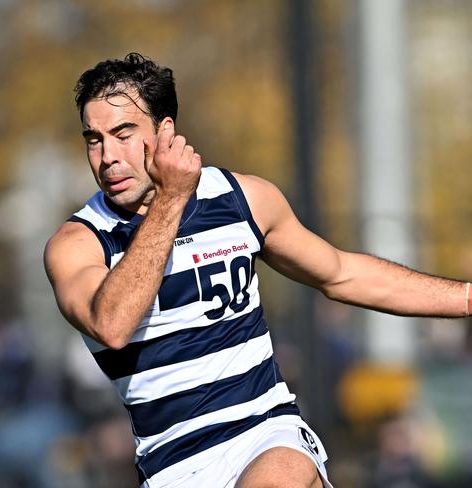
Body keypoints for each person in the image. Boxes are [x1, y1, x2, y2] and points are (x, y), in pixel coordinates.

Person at [44, 52, 471, 488]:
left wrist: (468, 297)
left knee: (281, 475)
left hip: (267, 433)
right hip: (174, 465)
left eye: (123, 134)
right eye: (94, 140)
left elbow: (341, 273)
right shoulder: (78, 243)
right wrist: (171, 201)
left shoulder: (239, 198)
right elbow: (112, 324)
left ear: (165, 132)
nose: (108, 156)